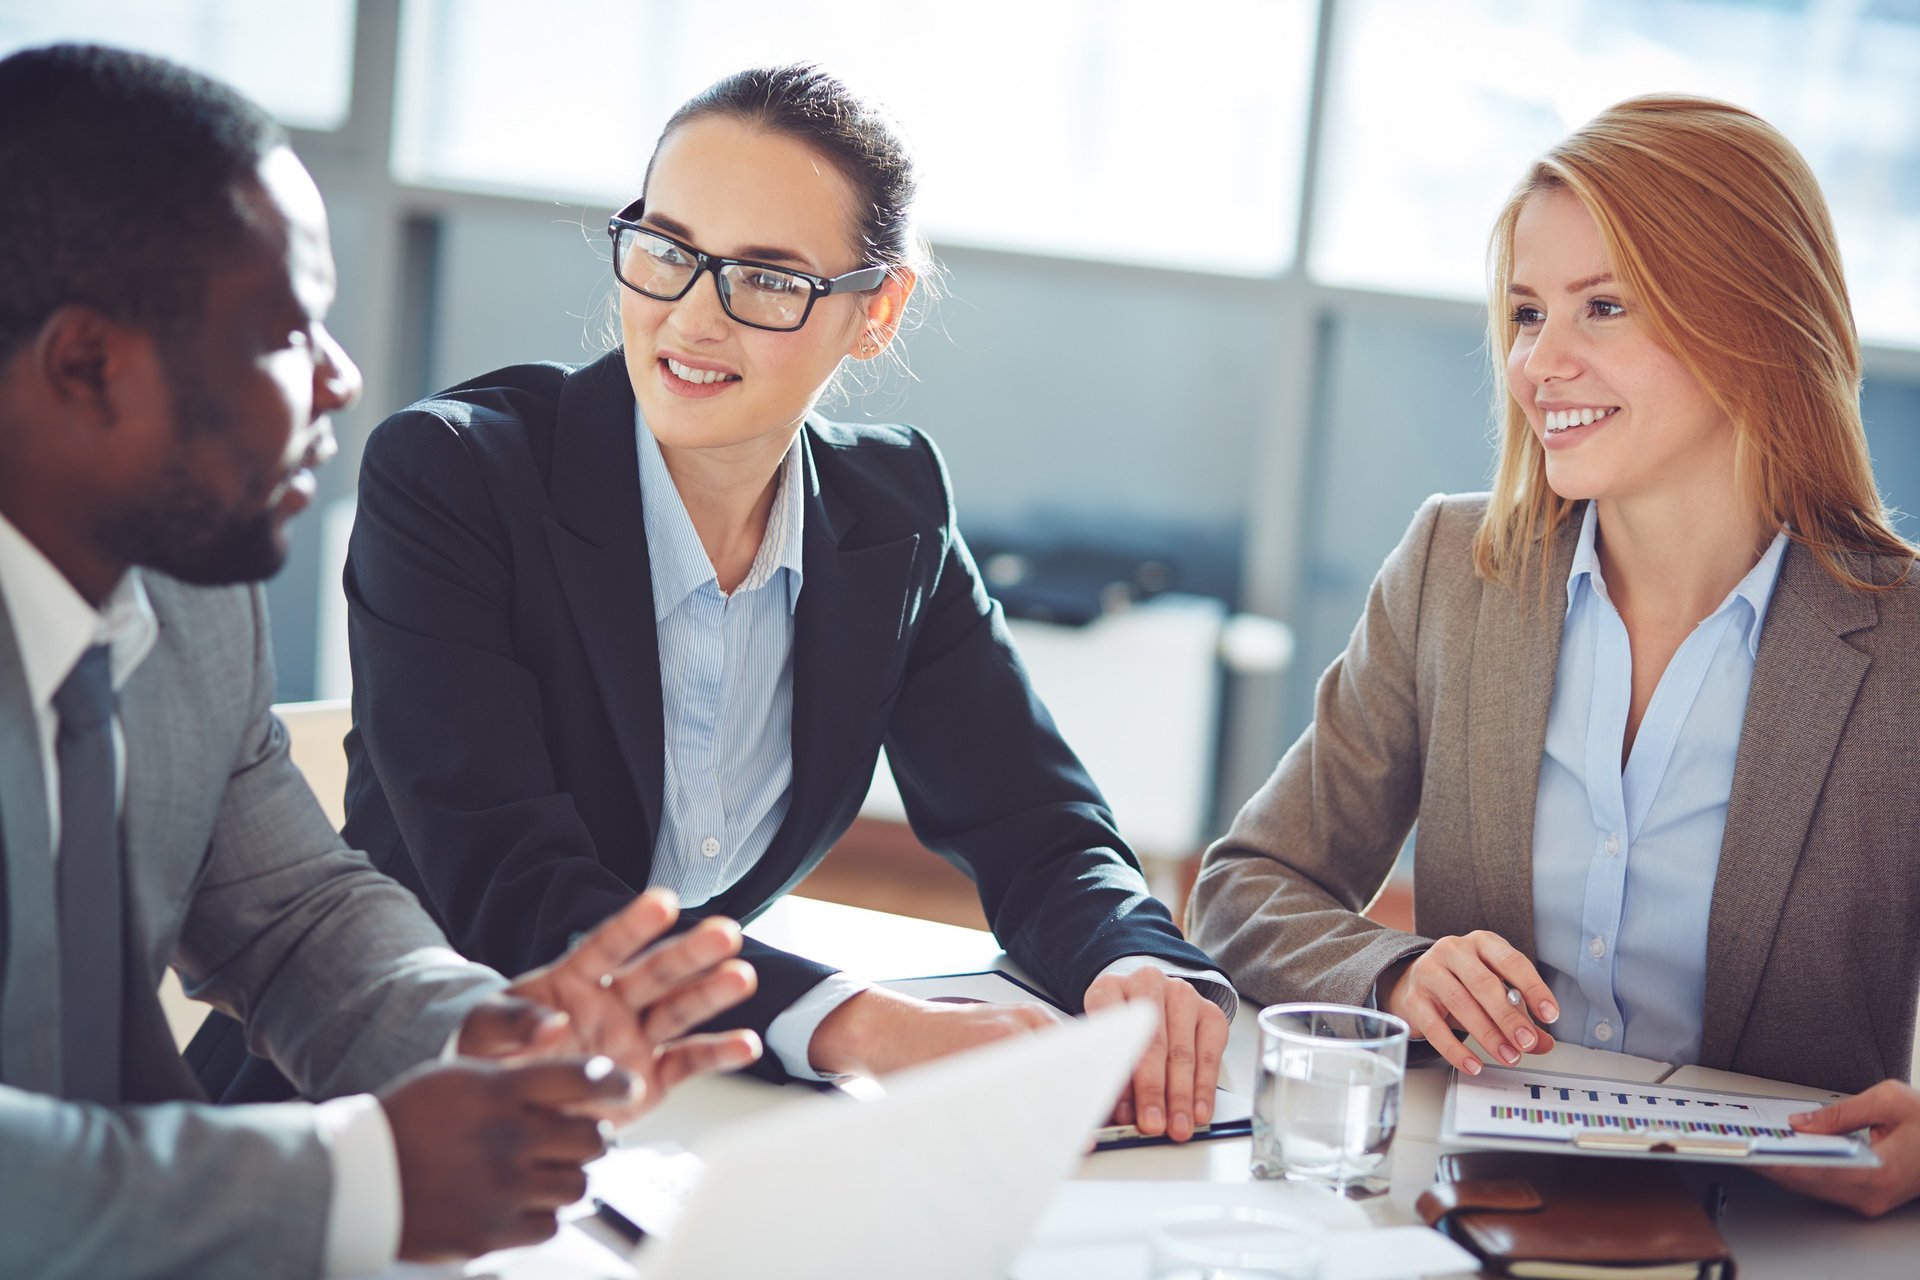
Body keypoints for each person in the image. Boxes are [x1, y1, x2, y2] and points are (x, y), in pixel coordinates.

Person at [209, 62, 1232, 1141]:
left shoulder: (892, 515)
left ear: (875, 310)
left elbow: (1037, 822)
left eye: (769, 277)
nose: (692, 318)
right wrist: (861, 1023)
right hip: (382, 1114)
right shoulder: (458, 478)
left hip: (679, 1120)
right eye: (665, 250)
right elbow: (509, 892)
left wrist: (1133, 956)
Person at [0, 44, 760, 1278]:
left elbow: (294, 915)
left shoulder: (192, 600)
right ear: (89, 364)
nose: (343, 380)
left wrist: (485, 1037)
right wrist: (357, 1177)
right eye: (286, 333)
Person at [1188, 95, 1920, 1211]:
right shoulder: (1454, 568)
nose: (1540, 363)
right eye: (1528, 312)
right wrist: (1395, 968)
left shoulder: (1900, 639)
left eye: (1606, 306)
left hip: (1783, 1230)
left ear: (1757, 322)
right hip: (1473, 1208)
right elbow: (1247, 885)